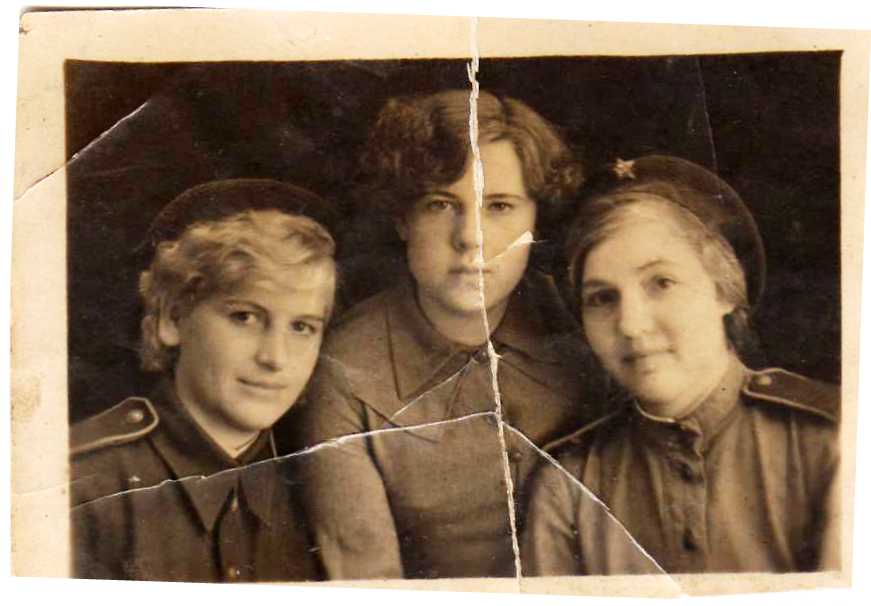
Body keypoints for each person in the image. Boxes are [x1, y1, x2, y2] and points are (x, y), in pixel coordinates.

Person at [289, 90, 605, 579]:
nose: (471, 237)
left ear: (535, 219)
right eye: (440, 204)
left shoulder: (583, 322)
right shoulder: (345, 372)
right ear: (402, 217)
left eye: (500, 206)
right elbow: (368, 576)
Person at [522, 155, 840, 575]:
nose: (631, 325)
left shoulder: (829, 441)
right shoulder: (567, 483)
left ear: (724, 290)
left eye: (662, 283)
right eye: (602, 298)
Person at [69, 179, 338, 582]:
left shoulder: (314, 490)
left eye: (302, 327)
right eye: (245, 317)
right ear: (172, 319)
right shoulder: (81, 486)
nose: (275, 358)